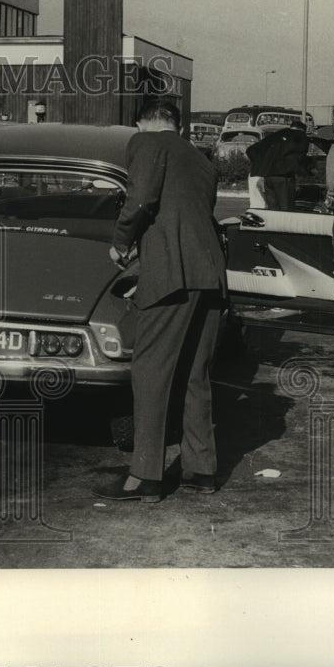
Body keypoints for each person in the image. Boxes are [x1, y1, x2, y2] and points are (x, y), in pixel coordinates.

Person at [94, 99, 228, 503]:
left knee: (150, 373)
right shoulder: (200, 159)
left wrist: (121, 243)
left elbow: (141, 199)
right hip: (210, 277)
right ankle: (201, 470)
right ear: (179, 124)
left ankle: (145, 476)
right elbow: (191, 213)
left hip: (171, 274)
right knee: (193, 375)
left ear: (144, 121)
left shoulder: (147, 142)